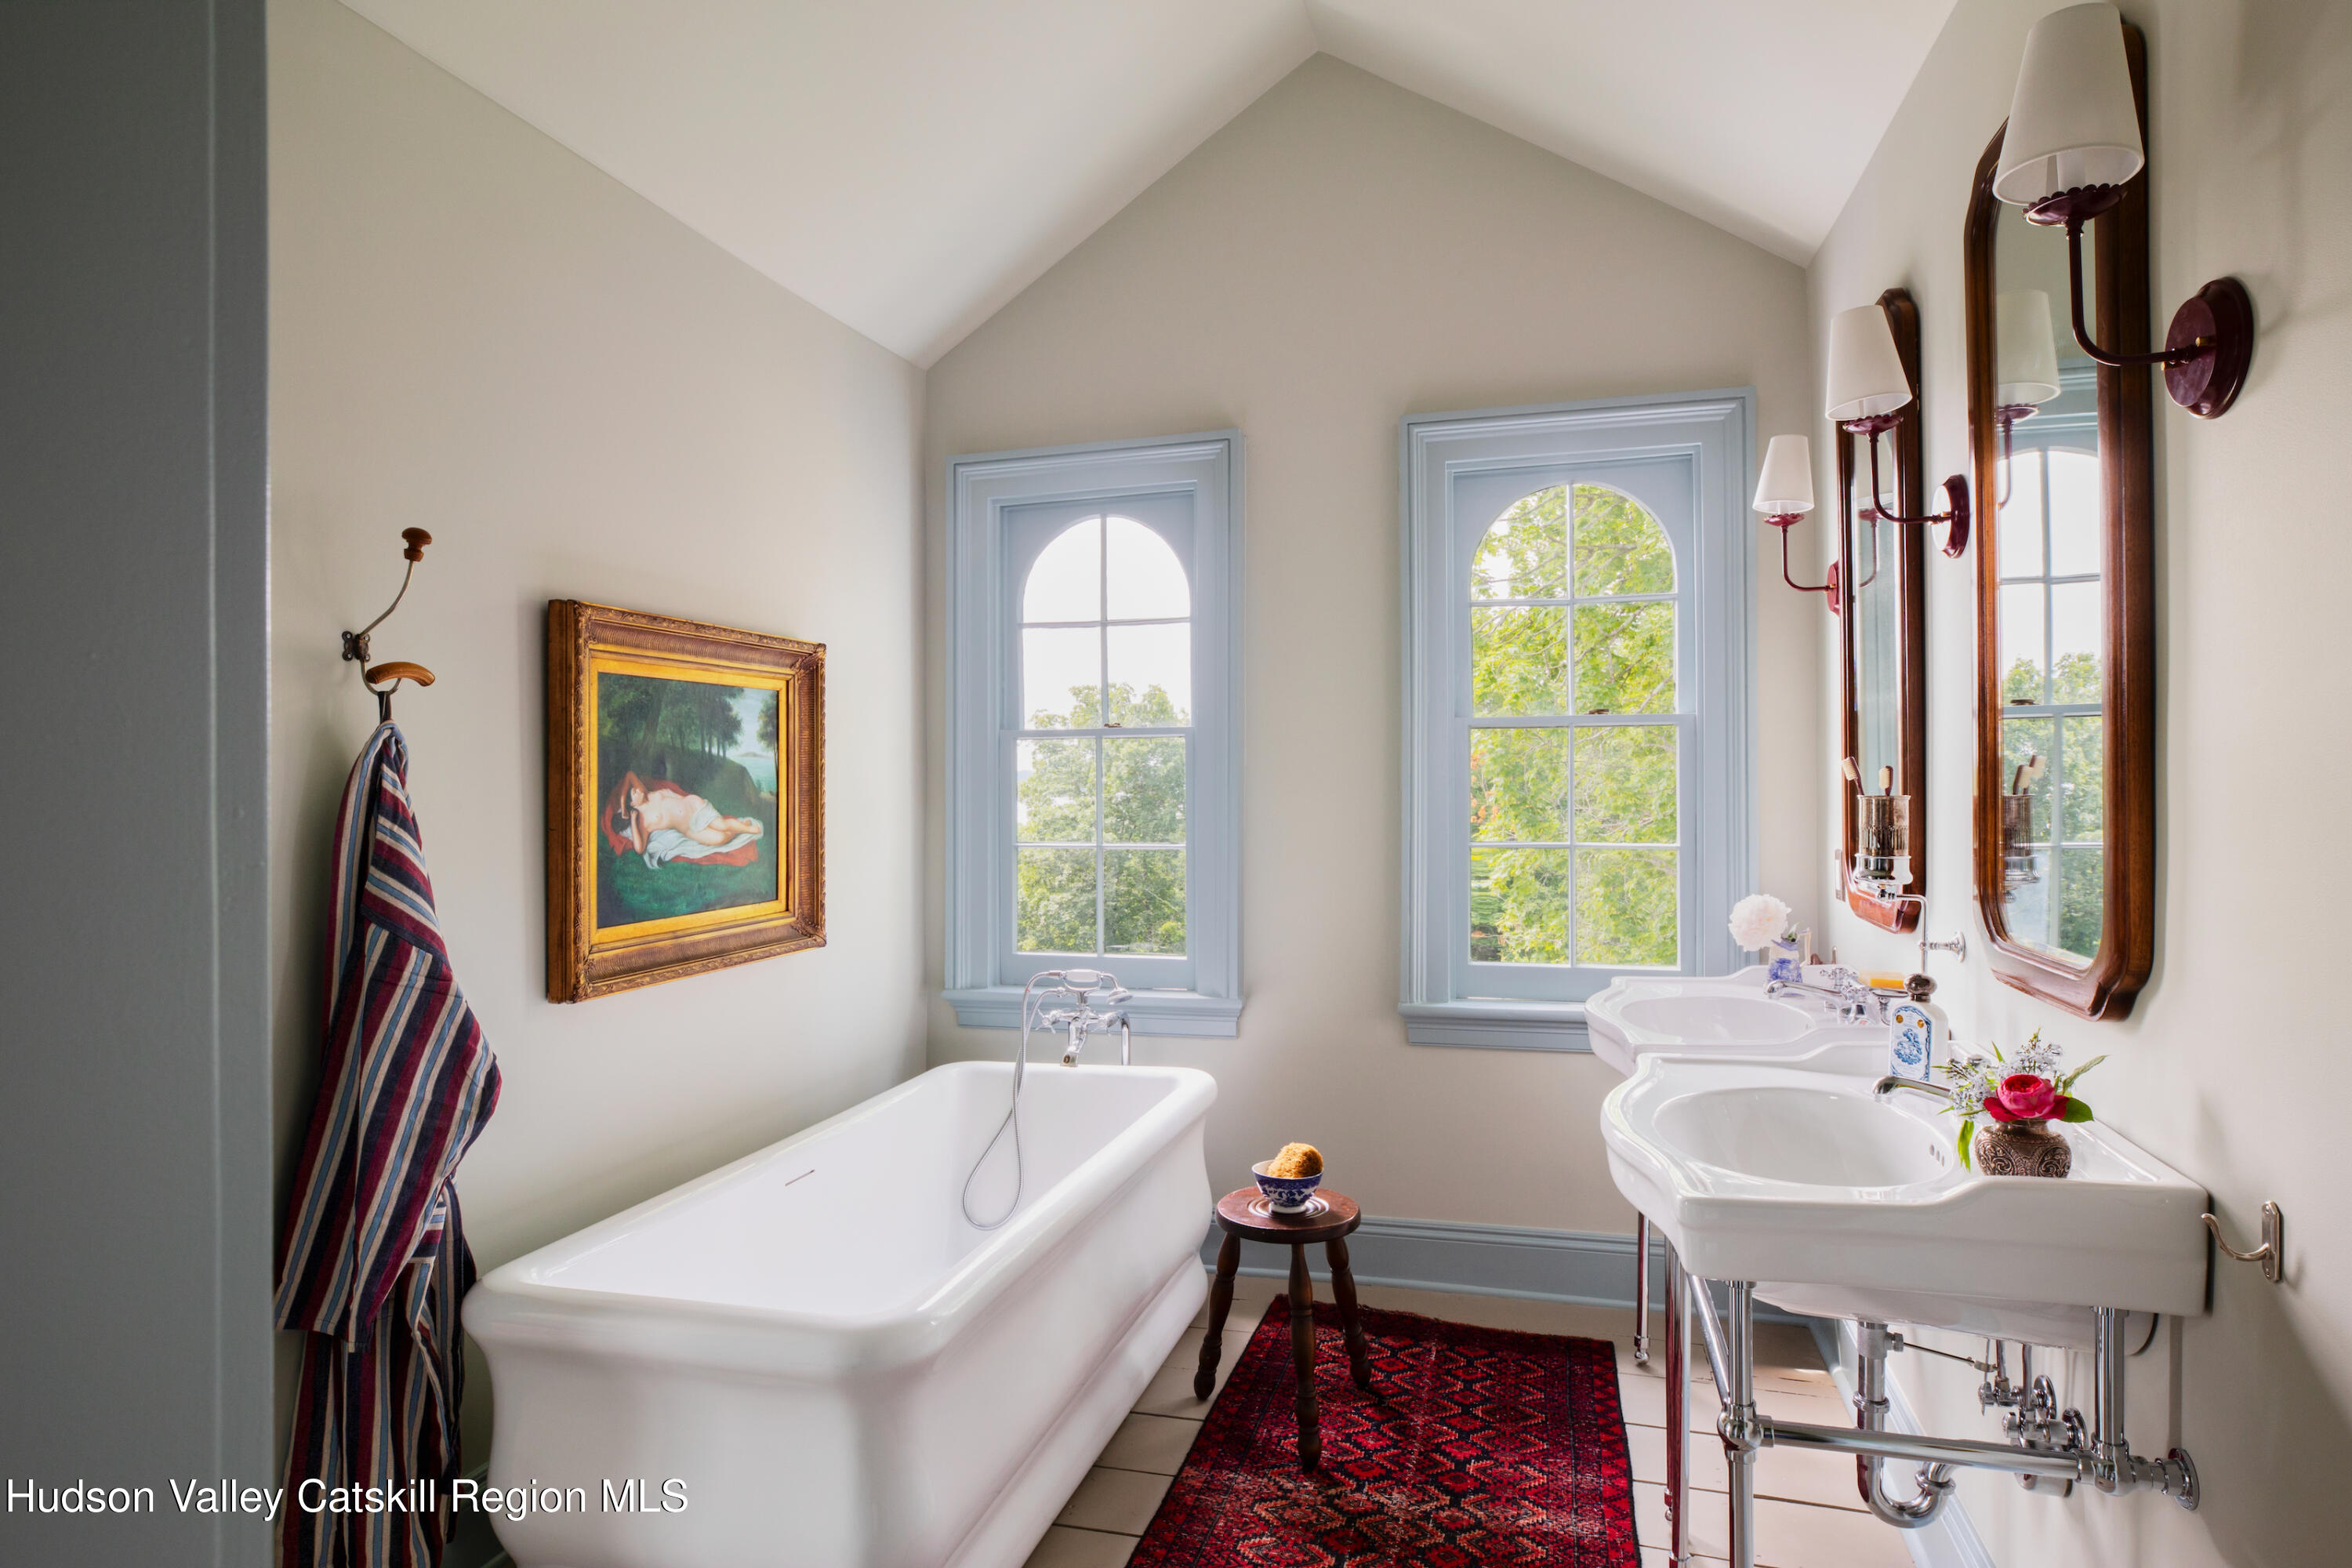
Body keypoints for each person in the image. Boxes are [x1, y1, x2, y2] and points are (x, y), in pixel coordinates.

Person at [622, 779, 763, 857]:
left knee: (721, 825)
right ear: (633, 803)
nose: (639, 789)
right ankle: (739, 828)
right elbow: (639, 849)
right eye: (635, 791)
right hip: (689, 829)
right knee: (720, 839)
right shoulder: (643, 822)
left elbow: (629, 775)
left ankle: (749, 828)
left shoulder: (647, 794)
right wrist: (633, 821)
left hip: (694, 806)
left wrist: (623, 806)